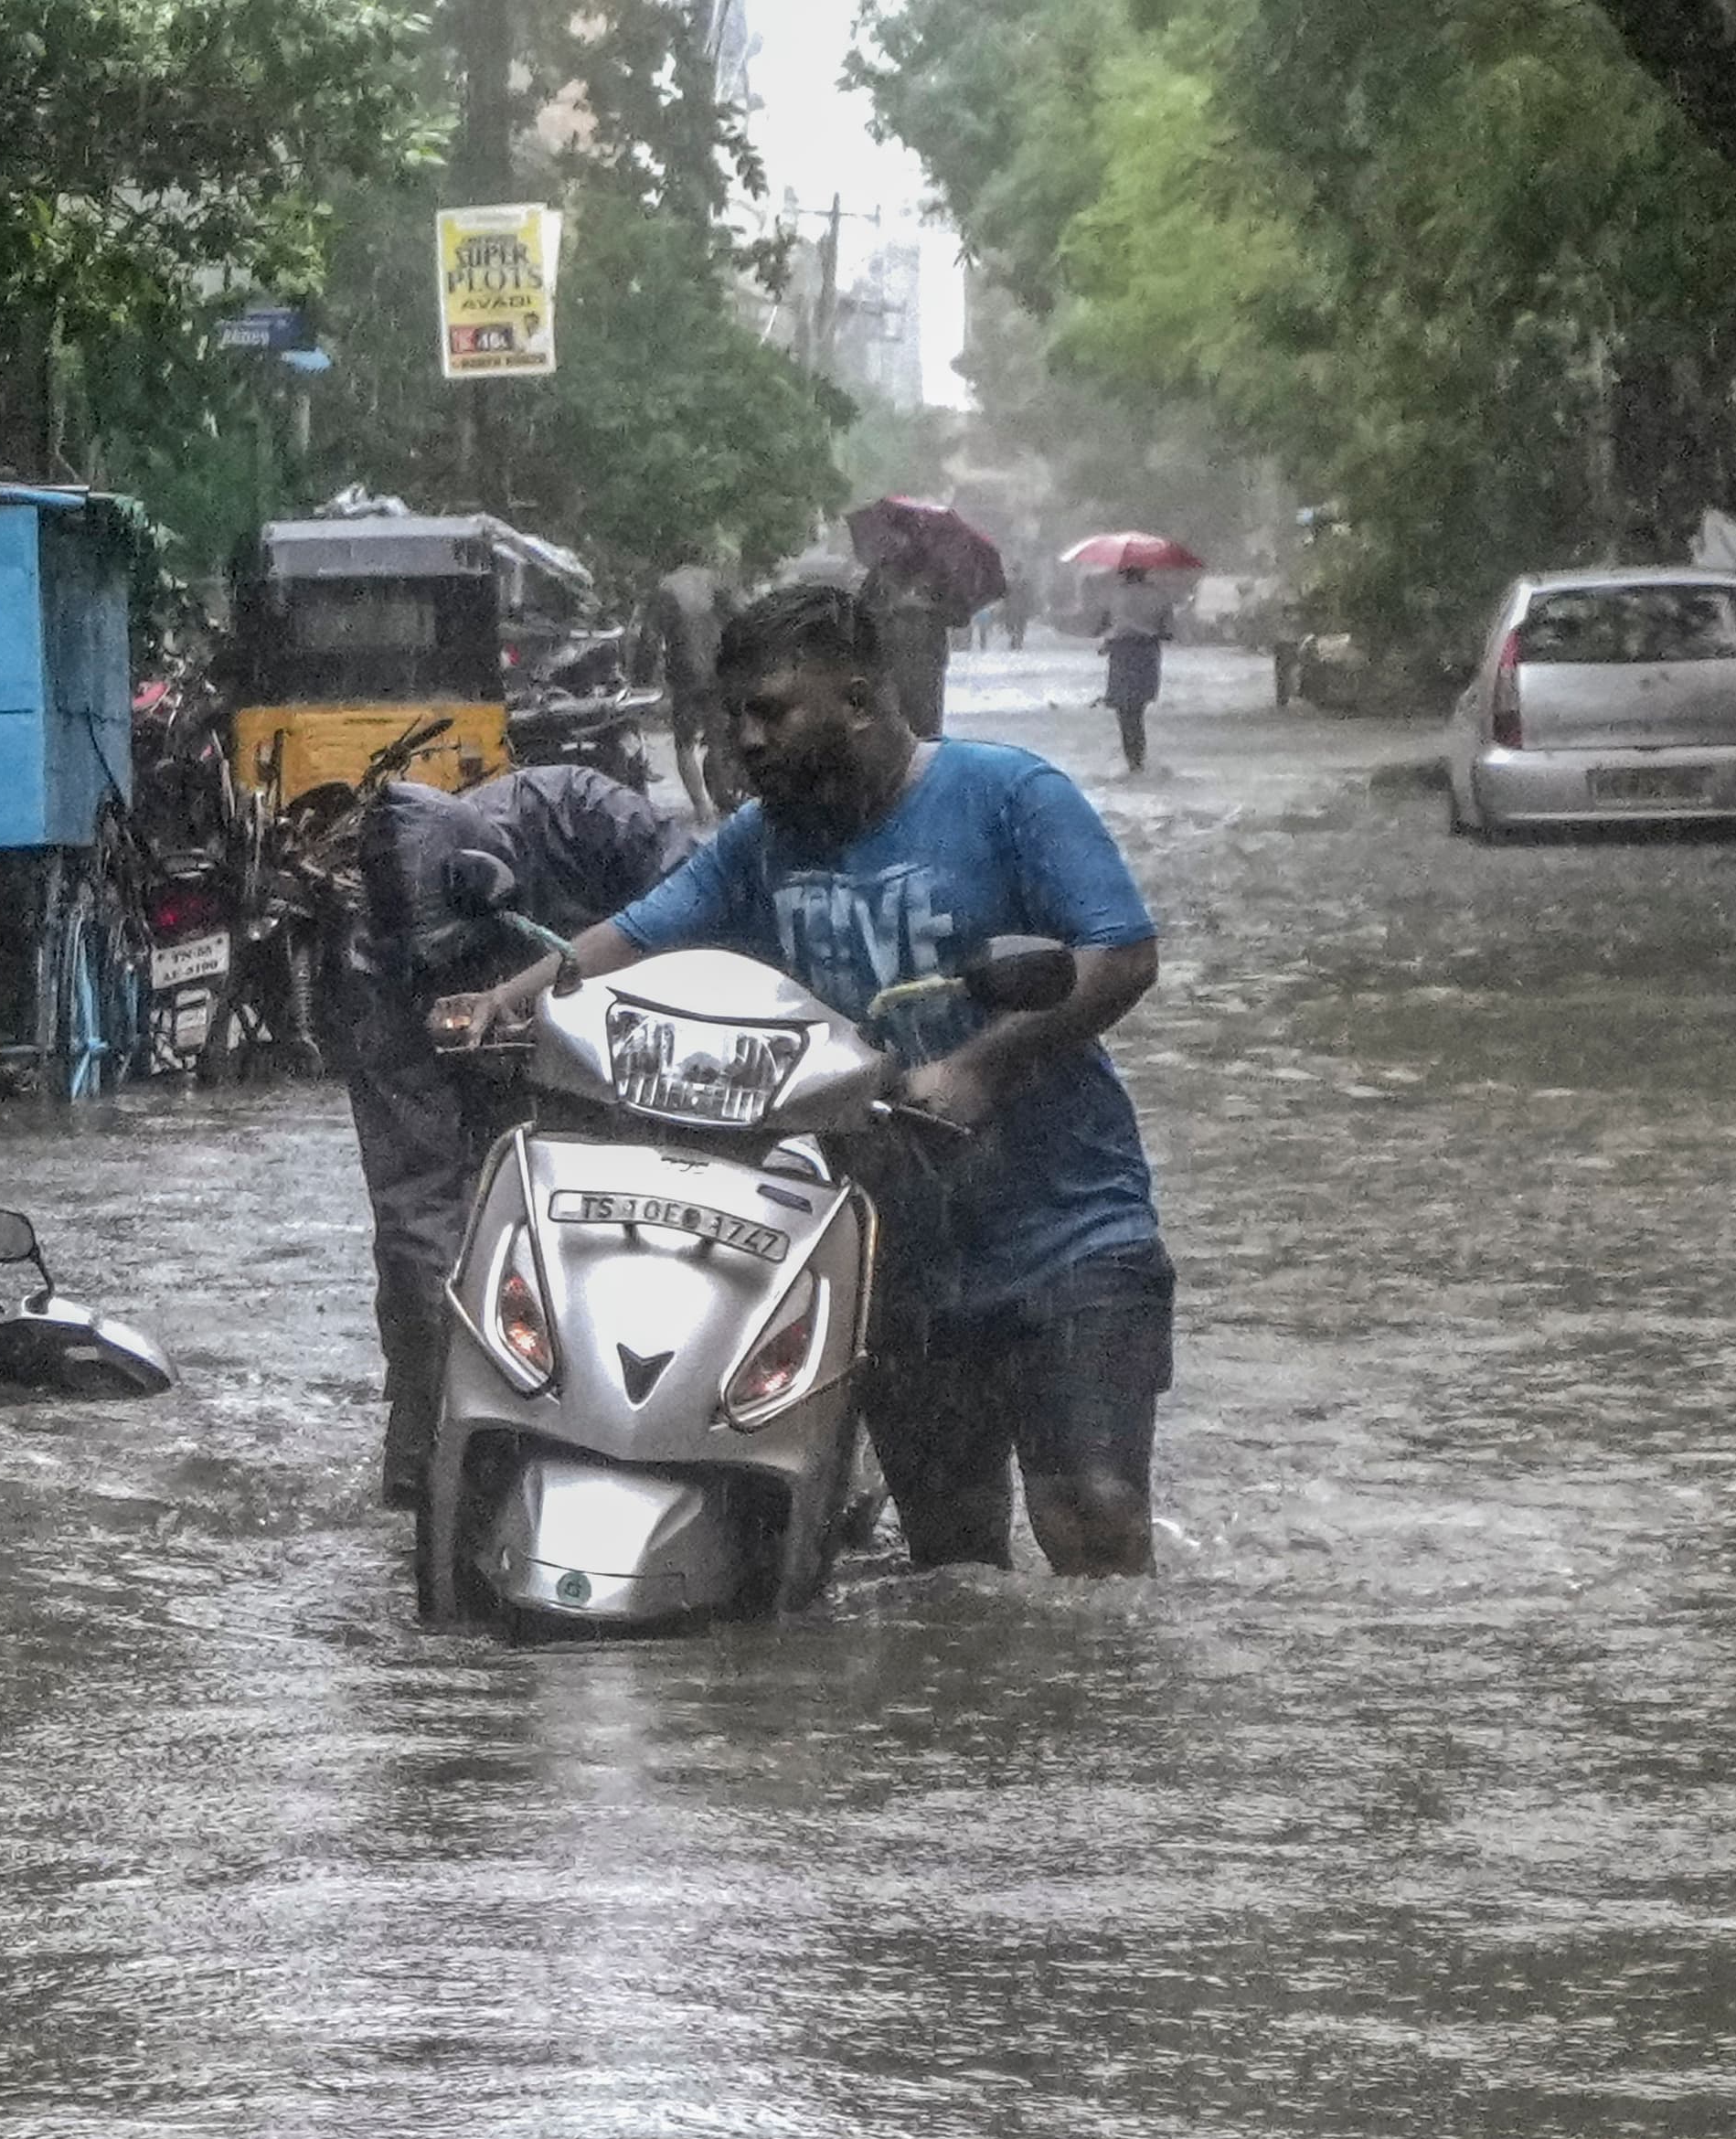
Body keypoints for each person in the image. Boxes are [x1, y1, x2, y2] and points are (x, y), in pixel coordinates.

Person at [462, 582, 1173, 1577]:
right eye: (734, 714)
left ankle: (1107, 1713)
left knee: (1091, 1513)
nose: (746, 740)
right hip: (896, 1247)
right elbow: (639, 933)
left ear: (859, 698)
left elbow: (1123, 951)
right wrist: (512, 997)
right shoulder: (763, 842)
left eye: (772, 711)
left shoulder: (1009, 793)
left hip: (1071, 1230)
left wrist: (976, 1066)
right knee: (953, 1562)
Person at [347, 764, 693, 1509]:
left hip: (644, 1076)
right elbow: (415, 1195)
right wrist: (442, 1378)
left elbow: (704, 906)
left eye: (470, 956)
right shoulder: (382, 972)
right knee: (425, 1264)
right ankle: (426, 1451)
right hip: (488, 1113)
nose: (466, 977)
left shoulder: (584, 817)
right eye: (441, 970)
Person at [635, 556, 740, 821]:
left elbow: (649, 637)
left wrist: (641, 680)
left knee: (684, 743)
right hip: (719, 670)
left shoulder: (665, 588)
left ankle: (701, 810)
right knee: (719, 738)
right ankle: (724, 803)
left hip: (684, 674)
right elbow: (741, 619)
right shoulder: (715, 581)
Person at [863, 558, 957, 740]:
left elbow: (957, 616)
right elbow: (864, 610)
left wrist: (929, 606)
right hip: (890, 662)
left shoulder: (939, 576)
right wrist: (892, 609)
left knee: (926, 723)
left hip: (926, 664)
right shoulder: (881, 572)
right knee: (892, 718)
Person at [1102, 564, 1175, 773]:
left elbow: (1105, 625)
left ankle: (1132, 760)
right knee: (1138, 708)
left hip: (1122, 653)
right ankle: (1138, 759)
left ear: (1124, 573)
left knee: (1123, 711)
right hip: (1147, 653)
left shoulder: (1115, 595)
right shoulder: (1159, 595)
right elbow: (1168, 631)